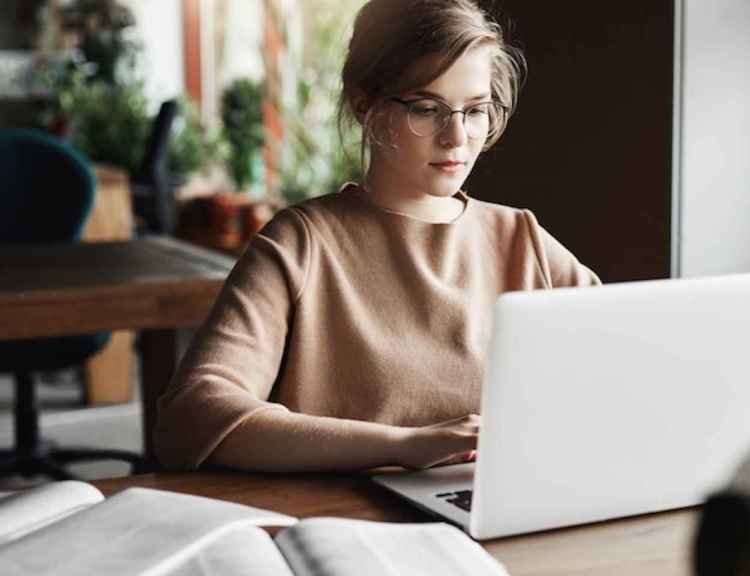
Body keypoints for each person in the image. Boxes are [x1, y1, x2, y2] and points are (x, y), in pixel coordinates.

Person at [154, 0, 600, 473]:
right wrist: (403, 446)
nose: (456, 137)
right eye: (427, 109)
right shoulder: (302, 245)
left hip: (498, 517)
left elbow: (622, 373)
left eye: (475, 110)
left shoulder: (522, 239)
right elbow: (193, 415)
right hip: (345, 526)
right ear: (363, 102)